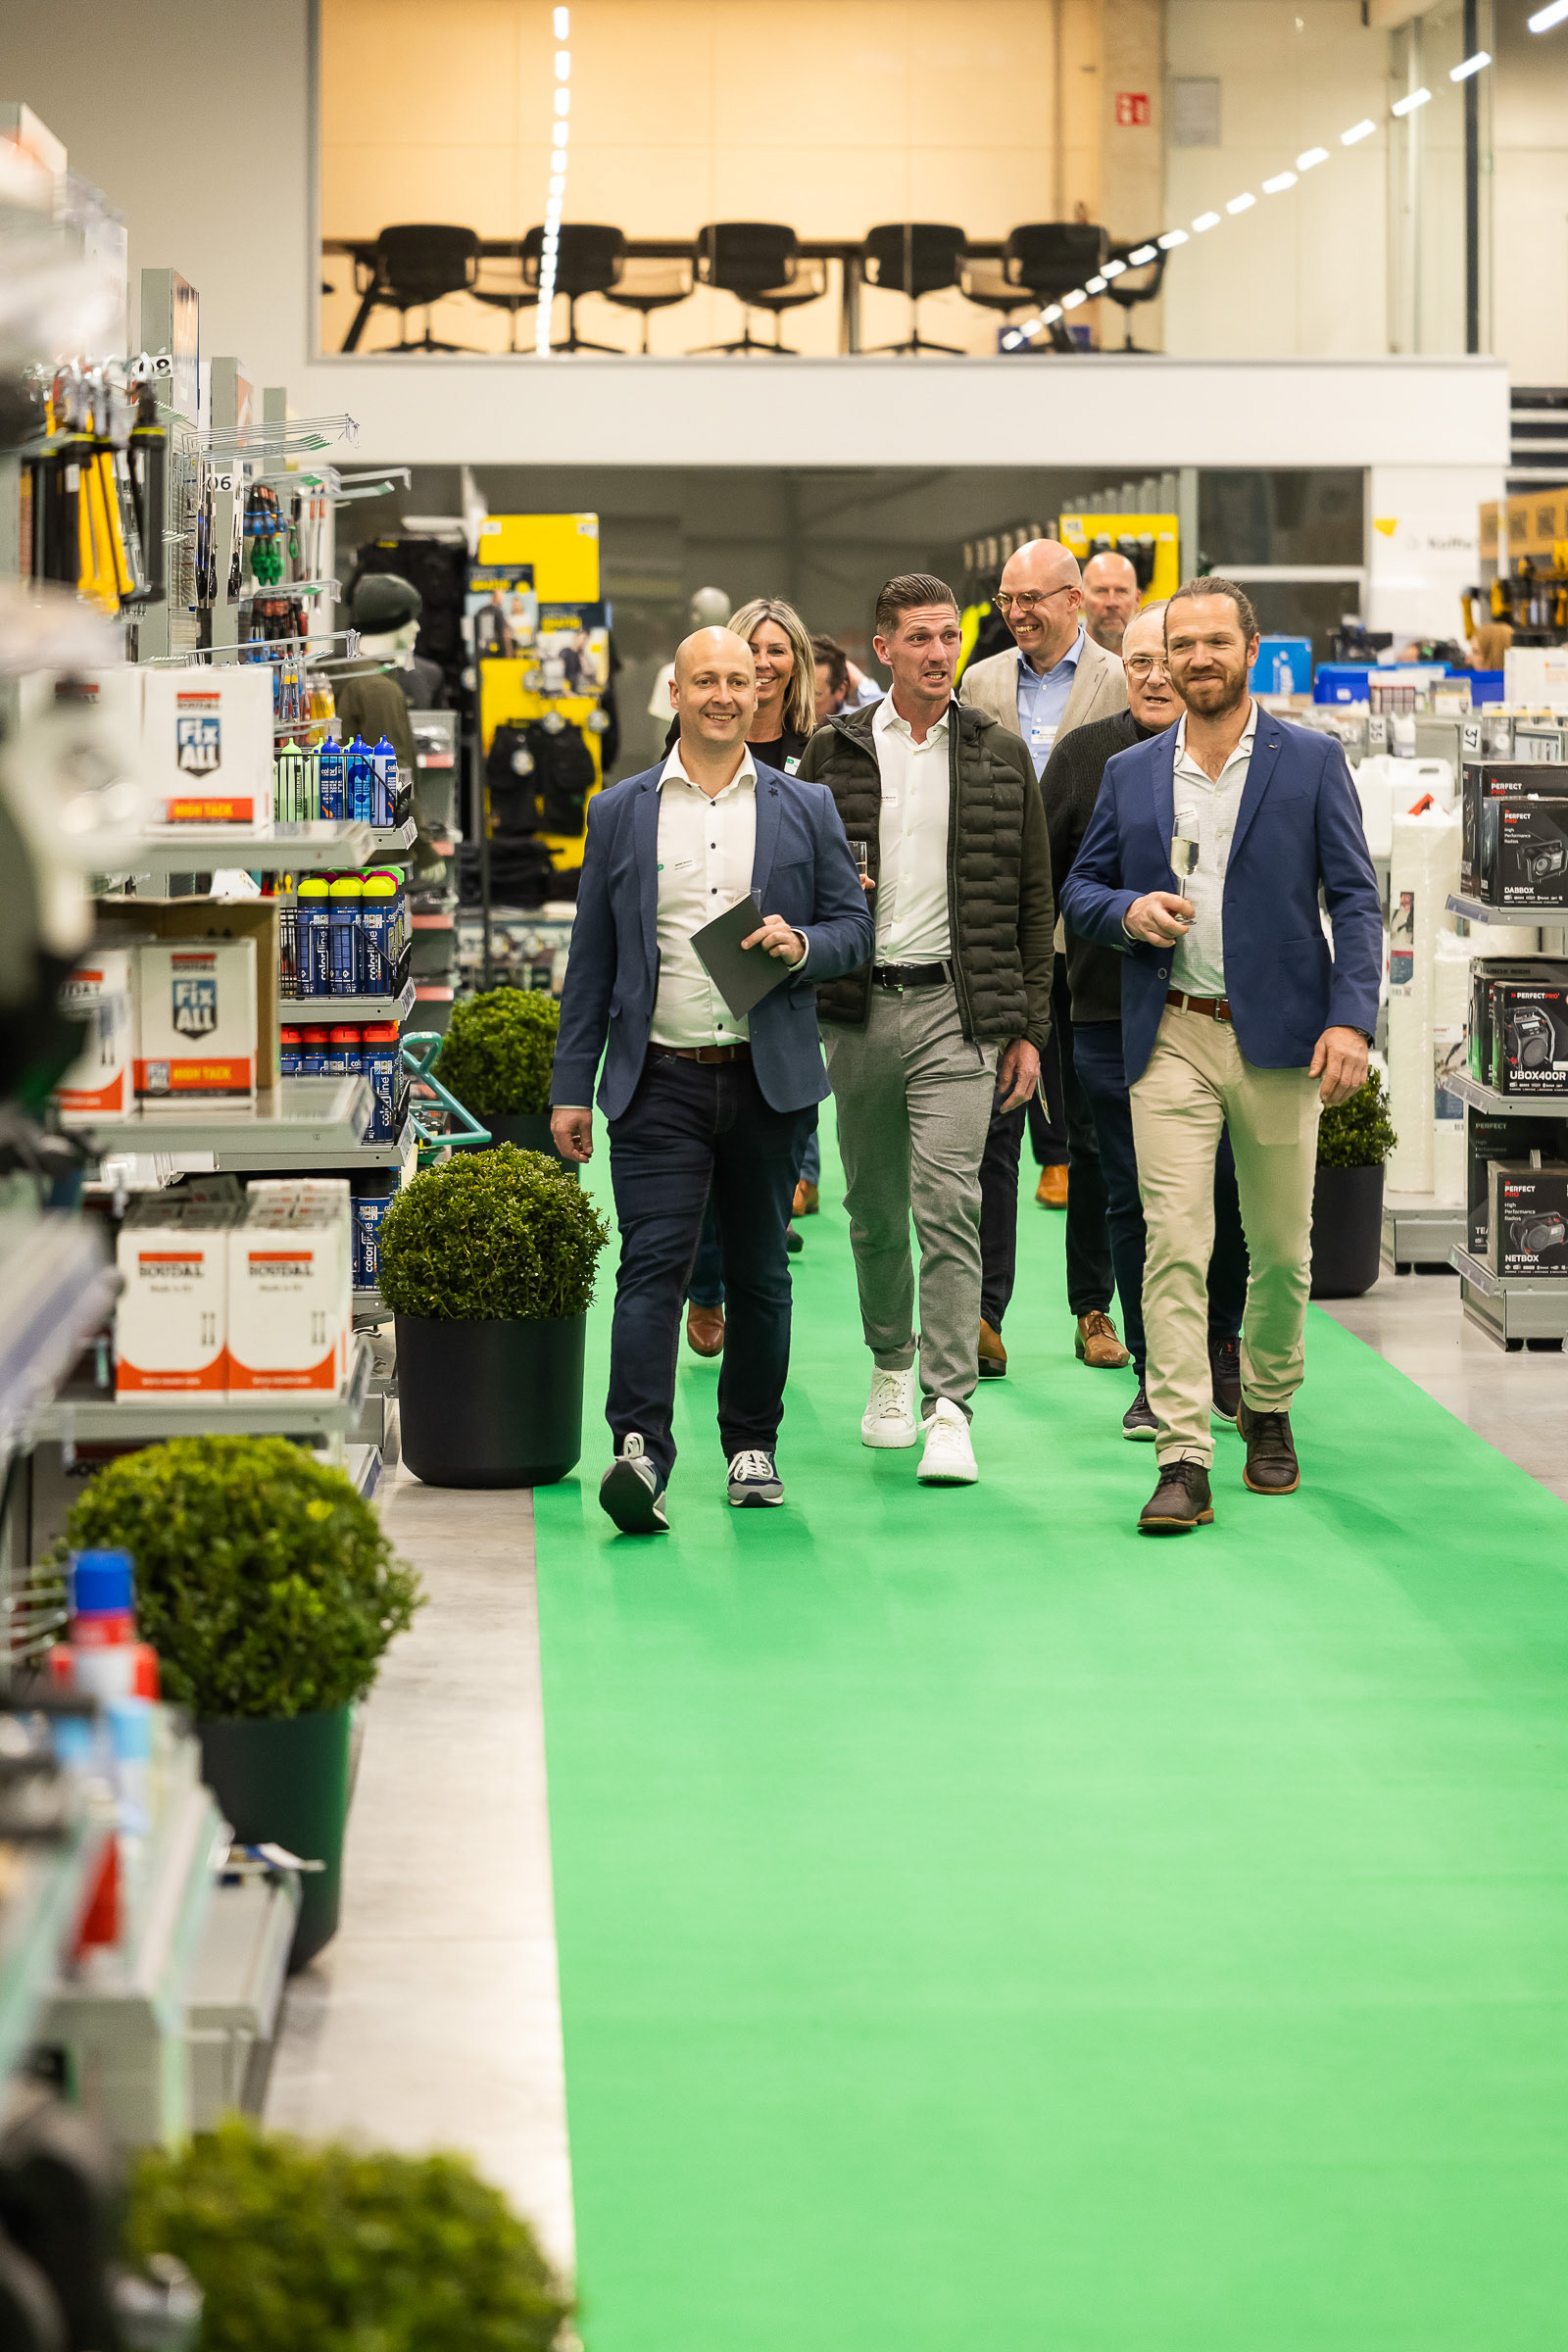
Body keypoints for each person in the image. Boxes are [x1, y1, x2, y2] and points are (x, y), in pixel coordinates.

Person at [1059, 579, 1382, 1534]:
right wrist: (1127, 912)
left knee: (1281, 1249)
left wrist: (1351, 1021)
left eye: (1214, 642)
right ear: (1160, 656)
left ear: (1250, 649)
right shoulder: (1131, 772)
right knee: (1174, 1243)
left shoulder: (1311, 761)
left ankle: (1269, 1405)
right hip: (1169, 1035)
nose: (1197, 658)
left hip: (1280, 1042)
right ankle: (1182, 1454)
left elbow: (1355, 900)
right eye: (1181, 644)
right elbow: (1080, 888)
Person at [552, 626, 872, 1534]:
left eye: (740, 680)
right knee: (651, 1268)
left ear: (760, 693)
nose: (725, 695)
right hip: (658, 1080)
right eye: (706, 681)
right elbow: (592, 957)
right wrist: (572, 1084)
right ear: (676, 694)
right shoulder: (620, 810)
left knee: (763, 1272)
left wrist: (802, 944)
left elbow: (854, 928)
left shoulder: (805, 805)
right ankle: (639, 1451)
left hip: (767, 1081)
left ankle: (751, 1445)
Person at [798, 574, 1054, 1487]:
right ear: (883, 650)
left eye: (949, 636)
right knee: (873, 1211)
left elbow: (1033, 902)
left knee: (949, 1203)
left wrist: (1028, 1029)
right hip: (860, 1010)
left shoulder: (998, 752)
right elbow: (793, 878)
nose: (940, 653)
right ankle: (890, 1366)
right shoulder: (831, 752)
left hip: (959, 1010)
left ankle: (951, 1406)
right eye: (920, 638)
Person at [1047, 602, 1250, 1440]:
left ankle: (1222, 1346)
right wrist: (1121, 916)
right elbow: (1055, 884)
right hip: (1107, 1012)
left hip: (1226, 1015)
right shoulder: (1087, 758)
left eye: (1169, 658)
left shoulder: (1247, 758)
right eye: (1140, 662)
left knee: (1226, 1193)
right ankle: (1155, 1368)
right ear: (1121, 670)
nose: (1158, 675)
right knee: (1135, 1198)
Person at [957, 537, 1129, 1378]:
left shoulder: (1123, 680)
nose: (1018, 613)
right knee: (994, 1122)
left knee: (1091, 1132)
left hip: (1091, 940)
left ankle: (1092, 1307)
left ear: (1074, 600)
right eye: (1008, 599)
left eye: (1033, 599)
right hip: (1001, 936)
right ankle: (984, 1314)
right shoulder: (979, 683)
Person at [1081, 549, 1142, 654]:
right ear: (1081, 599)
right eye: (1101, 591)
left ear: (1137, 599)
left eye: (1121, 591)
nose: (1112, 603)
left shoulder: (1157, 657)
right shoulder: (1060, 657)